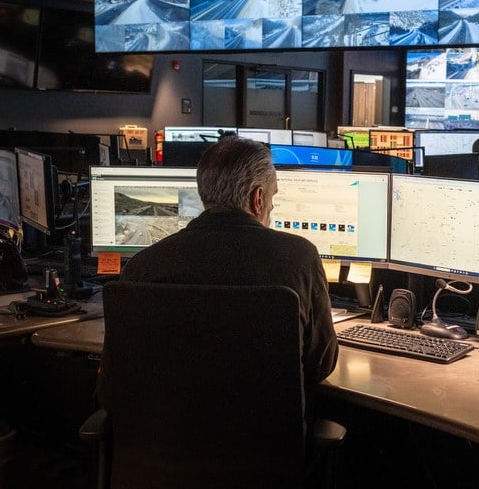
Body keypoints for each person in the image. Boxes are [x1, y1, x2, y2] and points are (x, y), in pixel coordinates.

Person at [96, 136, 339, 411]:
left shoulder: (142, 266)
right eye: (273, 196)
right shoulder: (300, 257)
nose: (272, 206)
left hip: (161, 448)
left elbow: (110, 390)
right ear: (258, 198)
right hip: (265, 446)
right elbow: (320, 365)